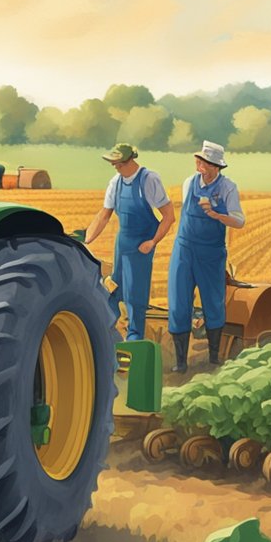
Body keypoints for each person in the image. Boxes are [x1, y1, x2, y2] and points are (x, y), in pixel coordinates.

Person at [167, 140, 245, 373]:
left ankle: (213, 358)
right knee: (179, 302)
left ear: (215, 166)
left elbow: (239, 221)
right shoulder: (189, 183)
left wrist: (216, 214)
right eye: (198, 160)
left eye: (203, 161)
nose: (198, 163)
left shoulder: (228, 188)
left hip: (211, 252)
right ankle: (181, 362)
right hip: (184, 249)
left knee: (213, 302)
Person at [84, 143, 174, 341]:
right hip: (122, 243)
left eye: (118, 163)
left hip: (141, 247)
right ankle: (107, 332)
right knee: (114, 288)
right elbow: (104, 215)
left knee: (135, 294)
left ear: (128, 161)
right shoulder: (115, 182)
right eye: (114, 164)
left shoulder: (149, 179)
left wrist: (152, 241)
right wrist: (87, 240)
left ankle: (135, 337)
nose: (115, 167)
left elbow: (169, 216)